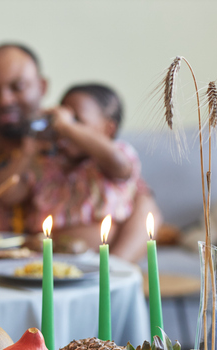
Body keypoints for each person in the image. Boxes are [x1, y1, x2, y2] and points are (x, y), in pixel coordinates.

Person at [0, 43, 161, 261]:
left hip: (91, 270)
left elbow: (142, 203)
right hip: (15, 270)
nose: (4, 100)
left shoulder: (76, 150)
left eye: (17, 87)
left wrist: (112, 274)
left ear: (43, 87)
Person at [31, 83, 141, 248]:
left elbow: (121, 166)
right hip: (50, 252)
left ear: (108, 129)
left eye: (77, 121)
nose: (64, 128)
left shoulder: (115, 155)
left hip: (97, 256)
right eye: (61, 119)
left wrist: (67, 126)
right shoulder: (52, 161)